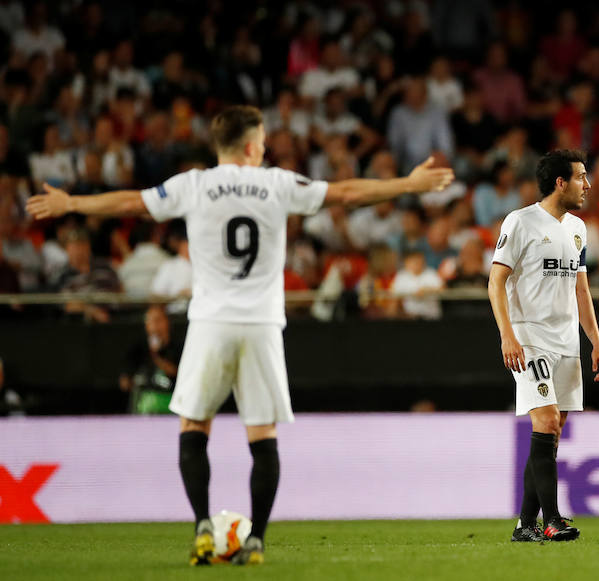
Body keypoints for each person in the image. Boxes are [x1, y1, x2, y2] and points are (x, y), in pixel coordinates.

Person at [26, 105, 454, 566]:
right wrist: (408, 185)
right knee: (262, 435)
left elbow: (131, 202)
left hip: (210, 323)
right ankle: (256, 542)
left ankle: (202, 529)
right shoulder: (276, 183)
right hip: (262, 326)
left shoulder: (194, 184)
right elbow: (347, 194)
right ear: (251, 146)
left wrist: (72, 203)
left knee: (194, 427)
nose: (266, 147)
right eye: (264, 141)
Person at [488, 149, 599, 543]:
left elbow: (582, 289)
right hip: (530, 339)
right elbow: (495, 281)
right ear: (561, 183)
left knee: (552, 432)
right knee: (545, 422)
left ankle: (525, 525)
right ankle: (553, 518)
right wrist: (507, 333)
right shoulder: (520, 222)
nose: (587, 185)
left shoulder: (578, 229)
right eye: (581, 177)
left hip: (567, 344)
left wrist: (596, 341)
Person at [120, 304, 182, 414]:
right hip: (144, 402)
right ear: (146, 325)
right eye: (151, 321)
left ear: (167, 323)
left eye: (158, 321)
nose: (155, 326)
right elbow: (125, 382)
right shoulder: (138, 349)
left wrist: (156, 355)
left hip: (172, 400)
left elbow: (176, 373)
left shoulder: (178, 347)